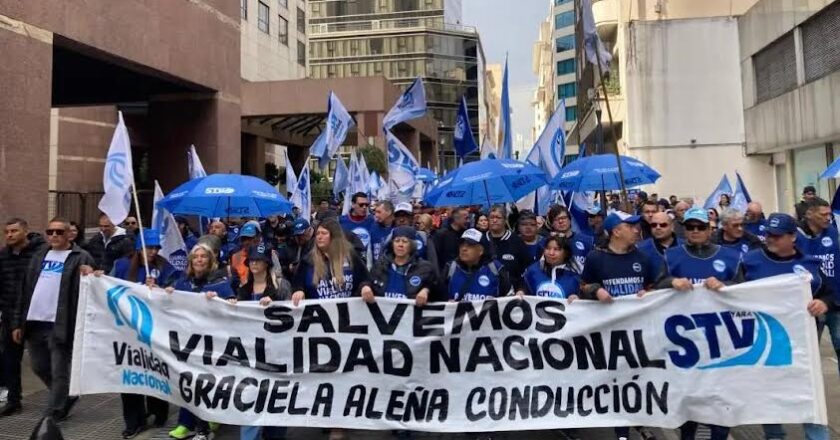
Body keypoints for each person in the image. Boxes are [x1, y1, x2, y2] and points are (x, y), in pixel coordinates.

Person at [737, 213, 833, 440]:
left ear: (792, 236)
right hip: (764, 341)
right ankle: (774, 435)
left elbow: (827, 292)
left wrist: (823, 303)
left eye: (777, 235)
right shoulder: (751, 262)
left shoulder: (809, 265)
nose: (771, 239)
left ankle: (816, 435)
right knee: (768, 391)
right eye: (768, 234)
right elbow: (734, 293)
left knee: (808, 390)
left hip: (802, 346)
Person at [577, 212, 657, 440]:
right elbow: (583, 286)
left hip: (638, 332)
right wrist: (595, 290)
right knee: (617, 383)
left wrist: (649, 292)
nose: (636, 229)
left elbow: (655, 284)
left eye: (636, 225)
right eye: (630, 226)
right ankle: (621, 431)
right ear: (616, 232)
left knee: (640, 381)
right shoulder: (596, 258)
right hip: (610, 335)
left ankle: (641, 423)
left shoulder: (642, 257)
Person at [12, 217, 94, 421]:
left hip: (61, 323)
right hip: (34, 322)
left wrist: (92, 275)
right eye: (50, 232)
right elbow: (25, 290)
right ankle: (65, 396)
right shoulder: (39, 256)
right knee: (38, 366)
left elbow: (92, 289)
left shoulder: (81, 257)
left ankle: (54, 411)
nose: (54, 236)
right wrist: (17, 322)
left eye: (59, 232)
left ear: (68, 234)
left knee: (59, 371)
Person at [98, 230, 173, 438]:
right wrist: (96, 278)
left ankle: (159, 411)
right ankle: (133, 421)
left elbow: (176, 291)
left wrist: (160, 289)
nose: (153, 251)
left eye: (156, 247)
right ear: (139, 248)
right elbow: (107, 286)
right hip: (127, 332)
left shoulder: (164, 266)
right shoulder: (122, 265)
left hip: (154, 331)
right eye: (149, 247)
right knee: (130, 376)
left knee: (154, 371)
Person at [165, 243, 234, 440]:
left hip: (212, 343)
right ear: (190, 261)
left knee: (206, 382)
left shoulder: (219, 281)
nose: (200, 260)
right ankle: (185, 423)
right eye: (196, 257)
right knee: (187, 380)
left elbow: (232, 304)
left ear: (210, 260)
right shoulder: (183, 282)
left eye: (204, 256)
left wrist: (220, 300)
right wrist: (166, 293)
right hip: (187, 341)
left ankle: (206, 425)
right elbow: (169, 303)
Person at [228, 243, 290, 440]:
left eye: (258, 260)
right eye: (252, 260)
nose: (254, 263)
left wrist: (276, 304)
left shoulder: (281, 287)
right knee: (250, 397)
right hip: (250, 352)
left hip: (276, 351)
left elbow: (292, 315)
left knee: (276, 397)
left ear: (266, 264)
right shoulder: (243, 289)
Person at [0, 218, 46, 416]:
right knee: (10, 359)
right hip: (10, 315)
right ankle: (13, 399)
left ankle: (60, 396)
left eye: (14, 231)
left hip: (36, 315)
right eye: (7, 232)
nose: (9, 235)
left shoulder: (40, 253)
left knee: (41, 362)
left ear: (25, 232)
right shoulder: (3, 256)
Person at [795, 199, 840, 378]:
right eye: (823, 215)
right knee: (808, 354)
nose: (828, 218)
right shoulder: (795, 236)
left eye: (829, 214)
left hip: (836, 302)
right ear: (809, 215)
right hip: (809, 305)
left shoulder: (834, 232)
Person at [291, 219, 371, 303]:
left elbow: (365, 278)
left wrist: (365, 286)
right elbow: (297, 284)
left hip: (348, 312)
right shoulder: (308, 261)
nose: (319, 237)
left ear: (334, 236)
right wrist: (299, 291)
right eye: (318, 233)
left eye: (324, 233)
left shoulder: (350, 256)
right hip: (318, 313)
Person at [368, 226, 440, 305]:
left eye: (405, 241)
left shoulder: (425, 268)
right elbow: (368, 282)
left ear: (411, 245)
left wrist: (426, 290)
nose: (400, 245)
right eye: (397, 241)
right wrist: (365, 286)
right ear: (392, 244)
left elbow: (438, 291)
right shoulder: (380, 266)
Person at [444, 229, 511, 301]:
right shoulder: (450, 268)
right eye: (462, 244)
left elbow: (509, 297)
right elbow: (437, 297)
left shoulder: (496, 269)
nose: (463, 248)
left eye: (469, 245)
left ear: (481, 251)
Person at [484, 206, 530, 284]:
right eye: (491, 217)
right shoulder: (482, 240)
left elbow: (525, 267)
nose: (494, 220)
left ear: (505, 220)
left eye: (498, 217)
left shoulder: (516, 241)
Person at [548, 206, 594, 274]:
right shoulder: (546, 244)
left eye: (563, 218)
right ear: (551, 223)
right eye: (556, 219)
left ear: (570, 220)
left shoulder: (587, 241)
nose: (561, 221)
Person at [339, 192, 375, 265]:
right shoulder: (341, 221)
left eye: (366, 205)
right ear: (353, 204)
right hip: (348, 263)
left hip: (368, 263)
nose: (364, 207)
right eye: (361, 205)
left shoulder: (372, 220)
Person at [434, 207, 470, 271]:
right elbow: (435, 257)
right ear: (456, 219)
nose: (468, 221)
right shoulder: (441, 234)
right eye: (466, 218)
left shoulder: (467, 235)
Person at [229, 222, 261, 286]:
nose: (246, 242)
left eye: (250, 238)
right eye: (244, 239)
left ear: (258, 238)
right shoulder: (235, 257)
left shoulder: (268, 253)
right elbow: (234, 281)